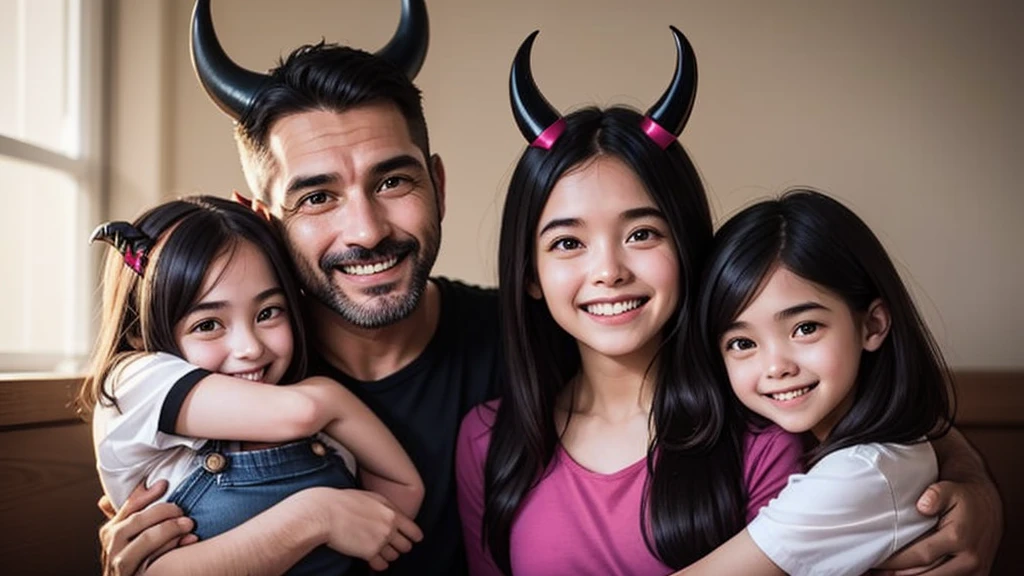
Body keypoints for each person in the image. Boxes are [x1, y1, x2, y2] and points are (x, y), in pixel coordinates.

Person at [98, 2, 1003, 574]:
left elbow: (853, 403)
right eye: (319, 195)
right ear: (267, 214)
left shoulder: (536, 343)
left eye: (394, 180)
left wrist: (974, 488)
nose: (367, 228)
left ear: (440, 185)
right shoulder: (231, 375)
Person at [456, 26, 806, 575]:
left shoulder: (765, 433)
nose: (609, 272)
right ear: (530, 275)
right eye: (568, 243)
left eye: (641, 234)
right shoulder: (488, 442)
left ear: (687, 246)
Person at [80, 195, 424, 575]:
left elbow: (405, 487)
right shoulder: (134, 381)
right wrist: (318, 514)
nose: (249, 348)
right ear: (138, 333)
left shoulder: (326, 435)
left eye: (267, 313)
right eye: (208, 324)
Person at [669, 189, 956, 575]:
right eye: (742, 343)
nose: (776, 366)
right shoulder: (866, 452)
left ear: (873, 325)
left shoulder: (861, 474)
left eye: (805, 328)